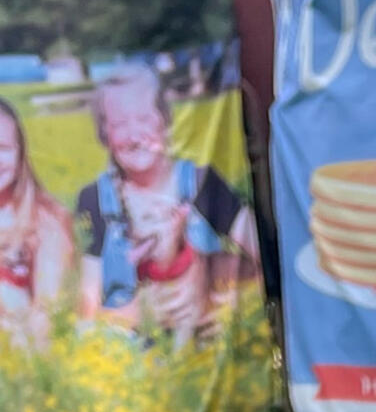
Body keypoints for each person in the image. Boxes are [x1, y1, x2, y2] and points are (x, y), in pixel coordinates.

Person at [76, 64, 258, 344]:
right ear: (104, 134)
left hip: (208, 347)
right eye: (119, 124)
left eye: (144, 118)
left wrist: (226, 299)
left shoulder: (202, 182)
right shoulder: (93, 200)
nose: (135, 135)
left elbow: (265, 259)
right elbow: (87, 311)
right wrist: (139, 312)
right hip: (129, 350)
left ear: (164, 119)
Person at [0, 97, 75, 348]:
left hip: (23, 348)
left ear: (20, 154)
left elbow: (47, 312)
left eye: (2, 148)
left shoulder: (47, 220)